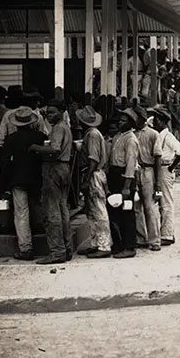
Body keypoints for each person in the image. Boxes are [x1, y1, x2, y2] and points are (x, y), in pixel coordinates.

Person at [0, 106, 47, 261]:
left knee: (21, 213)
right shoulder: (41, 136)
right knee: (41, 208)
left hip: (17, 179)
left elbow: (4, 163)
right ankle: (48, 241)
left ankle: (26, 248)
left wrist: (4, 183)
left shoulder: (11, 139)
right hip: (37, 179)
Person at [29, 100, 73, 264]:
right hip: (64, 168)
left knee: (52, 212)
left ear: (62, 111)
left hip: (54, 169)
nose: (49, 115)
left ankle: (57, 252)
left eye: (53, 112)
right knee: (62, 210)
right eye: (48, 112)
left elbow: (55, 149)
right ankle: (67, 248)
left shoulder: (58, 128)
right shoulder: (65, 127)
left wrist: (37, 148)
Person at [75, 106, 112, 258]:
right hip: (94, 173)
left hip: (94, 174)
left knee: (99, 210)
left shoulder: (92, 135)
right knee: (91, 212)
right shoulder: (91, 134)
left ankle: (104, 245)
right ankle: (95, 243)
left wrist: (87, 178)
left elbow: (93, 159)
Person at [107, 108, 140, 258]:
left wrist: (127, 186)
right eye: (119, 120)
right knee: (115, 211)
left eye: (123, 121)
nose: (120, 122)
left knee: (127, 212)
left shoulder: (131, 139)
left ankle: (130, 246)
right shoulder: (118, 137)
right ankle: (118, 244)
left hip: (124, 178)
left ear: (130, 123)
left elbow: (131, 164)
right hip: (115, 177)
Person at [151, 106, 180, 246]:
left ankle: (167, 234)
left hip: (165, 168)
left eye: (156, 119)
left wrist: (171, 167)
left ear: (162, 121)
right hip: (160, 168)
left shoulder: (168, 136)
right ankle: (164, 231)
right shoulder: (159, 135)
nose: (154, 122)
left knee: (166, 202)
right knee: (161, 201)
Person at [134, 105, 162, 251]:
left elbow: (157, 158)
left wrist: (158, 182)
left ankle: (154, 240)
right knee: (136, 206)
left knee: (150, 206)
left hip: (147, 171)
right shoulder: (132, 134)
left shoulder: (153, 134)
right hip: (134, 171)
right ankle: (141, 238)